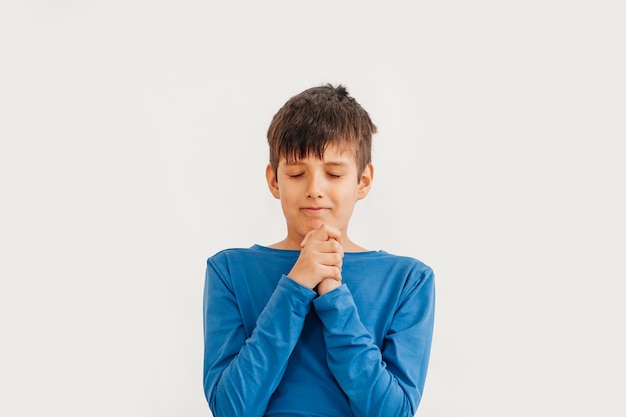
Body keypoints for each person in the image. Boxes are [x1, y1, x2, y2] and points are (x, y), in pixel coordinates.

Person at [203, 84, 435, 417]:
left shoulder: (409, 280)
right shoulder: (228, 270)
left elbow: (392, 413)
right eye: (297, 173)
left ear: (363, 181)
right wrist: (296, 285)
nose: (315, 190)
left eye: (333, 173)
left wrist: (333, 295)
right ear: (274, 181)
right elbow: (232, 409)